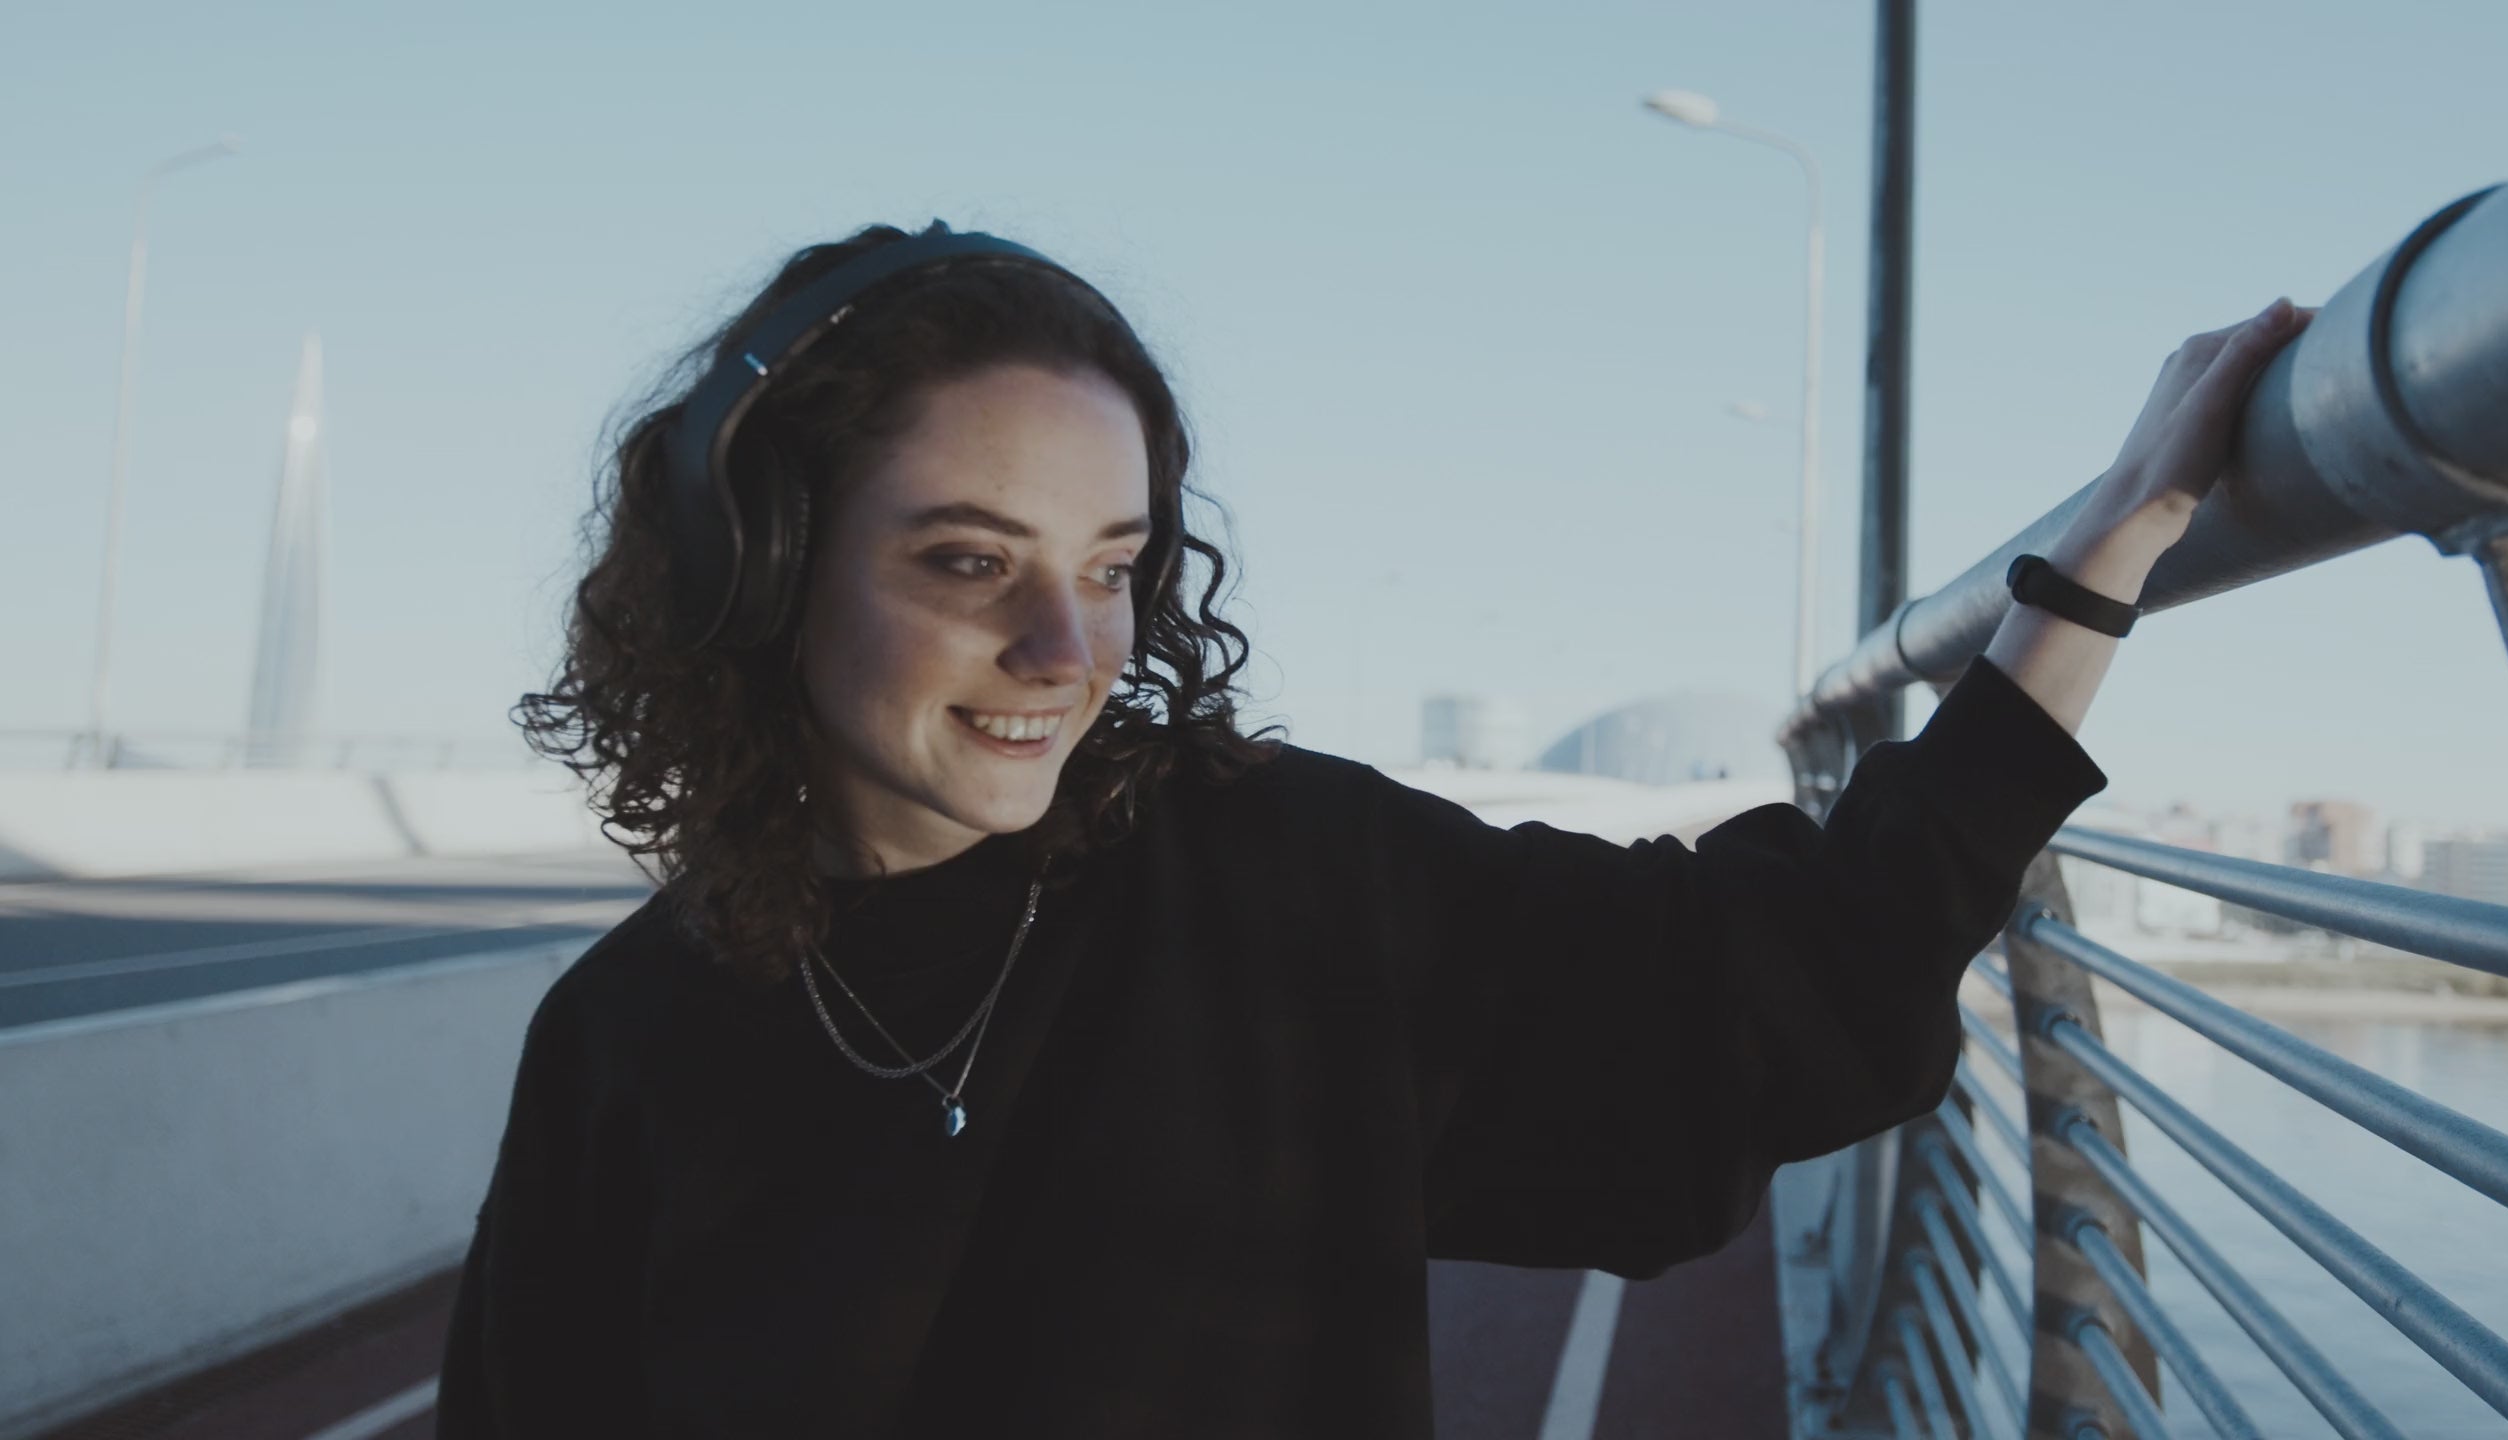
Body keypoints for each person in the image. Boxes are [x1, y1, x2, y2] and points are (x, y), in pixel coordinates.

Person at [435, 221, 2312, 1438]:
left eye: (1115, 566)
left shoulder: (1277, 883)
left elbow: (1792, 977)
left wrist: (2092, 573)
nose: (1066, 648)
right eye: (965, 562)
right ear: (760, 570)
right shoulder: (624, 1045)